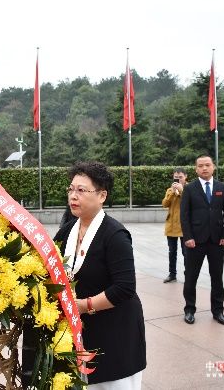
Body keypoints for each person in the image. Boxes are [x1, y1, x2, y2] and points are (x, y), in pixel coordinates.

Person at [55, 161, 146, 389]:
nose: (73, 196)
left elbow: (125, 288)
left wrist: (83, 306)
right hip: (83, 331)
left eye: (81, 190)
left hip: (116, 331)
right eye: (71, 189)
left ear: (102, 195)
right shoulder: (67, 231)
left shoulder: (115, 234)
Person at [180, 155, 224, 326]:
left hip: (217, 241)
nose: (204, 168)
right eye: (201, 166)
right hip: (195, 241)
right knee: (191, 277)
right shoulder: (189, 188)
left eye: (207, 165)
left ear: (213, 167)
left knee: (217, 277)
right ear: (196, 169)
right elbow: (184, 215)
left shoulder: (222, 187)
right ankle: (189, 310)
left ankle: (218, 311)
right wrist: (188, 237)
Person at [161, 168, 187, 283]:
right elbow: (165, 204)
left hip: (184, 226)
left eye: (180, 177)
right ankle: (172, 274)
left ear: (185, 176)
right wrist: (172, 192)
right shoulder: (170, 190)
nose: (178, 179)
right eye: (176, 177)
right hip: (171, 225)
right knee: (172, 252)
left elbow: (191, 201)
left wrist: (182, 190)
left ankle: (189, 274)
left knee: (186, 252)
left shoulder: (190, 189)